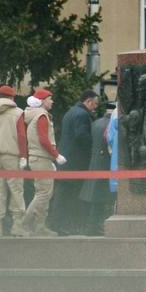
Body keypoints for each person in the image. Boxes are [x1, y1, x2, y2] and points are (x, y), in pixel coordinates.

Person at [0, 84, 28, 238]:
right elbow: (21, 136)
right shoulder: (18, 113)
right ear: (12, 97)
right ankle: (17, 226)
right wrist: (23, 156)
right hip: (12, 156)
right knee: (16, 189)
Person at [51, 90, 98, 235]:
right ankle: (62, 225)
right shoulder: (82, 115)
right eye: (95, 104)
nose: (95, 108)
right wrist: (93, 148)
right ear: (88, 101)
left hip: (66, 160)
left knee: (62, 194)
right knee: (70, 195)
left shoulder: (71, 112)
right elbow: (82, 136)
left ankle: (56, 224)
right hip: (76, 162)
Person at [22, 89, 66, 237]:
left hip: (40, 158)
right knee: (43, 193)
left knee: (44, 193)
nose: (52, 101)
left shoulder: (36, 116)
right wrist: (56, 155)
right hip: (41, 158)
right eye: (49, 99)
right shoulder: (41, 116)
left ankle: (39, 226)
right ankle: (25, 224)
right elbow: (43, 139)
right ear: (42, 102)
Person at [79, 104, 114, 236]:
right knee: (101, 198)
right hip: (106, 164)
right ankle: (95, 226)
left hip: (95, 163)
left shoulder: (96, 123)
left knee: (95, 196)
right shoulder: (111, 124)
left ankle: (92, 225)